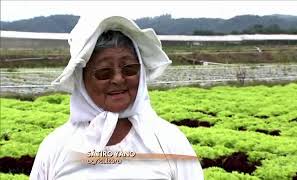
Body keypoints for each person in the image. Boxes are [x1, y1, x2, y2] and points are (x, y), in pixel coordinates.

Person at [30, 15, 203, 180]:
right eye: (104, 72)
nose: (119, 79)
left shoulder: (169, 141)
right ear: (81, 80)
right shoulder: (56, 147)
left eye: (129, 69)